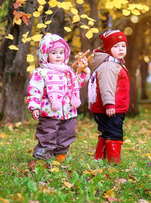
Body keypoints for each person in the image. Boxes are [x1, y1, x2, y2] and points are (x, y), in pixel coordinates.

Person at [27, 33, 90, 162]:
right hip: (50, 111)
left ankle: (60, 154)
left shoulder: (68, 71)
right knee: (47, 133)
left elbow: (76, 84)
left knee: (67, 133)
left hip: (68, 111)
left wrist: (83, 71)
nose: (58, 56)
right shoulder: (41, 72)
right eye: (54, 53)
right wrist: (34, 107)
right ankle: (42, 156)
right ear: (45, 54)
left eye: (61, 52)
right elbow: (34, 90)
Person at [87, 30, 129, 163]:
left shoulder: (115, 64)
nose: (120, 49)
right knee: (115, 133)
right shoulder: (109, 66)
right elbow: (106, 86)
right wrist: (109, 104)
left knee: (107, 132)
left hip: (112, 108)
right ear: (108, 49)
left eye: (123, 45)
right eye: (115, 46)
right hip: (111, 109)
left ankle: (100, 158)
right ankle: (113, 161)